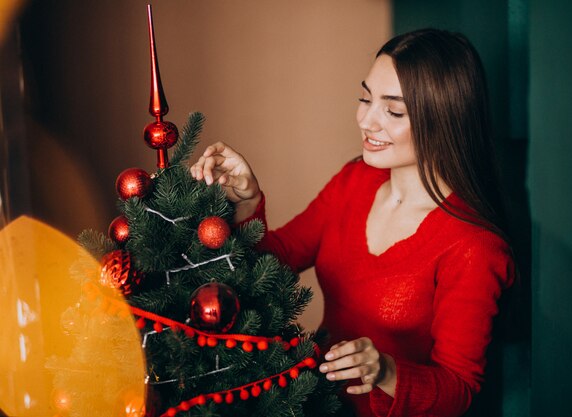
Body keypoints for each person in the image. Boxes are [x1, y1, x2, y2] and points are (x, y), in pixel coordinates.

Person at [190, 28, 515, 417]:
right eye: (365, 98)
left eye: (393, 111)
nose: (366, 120)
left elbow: (460, 388)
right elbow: (275, 264)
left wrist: (387, 370)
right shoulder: (355, 180)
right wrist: (248, 202)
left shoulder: (473, 247)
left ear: (443, 120)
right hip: (311, 400)